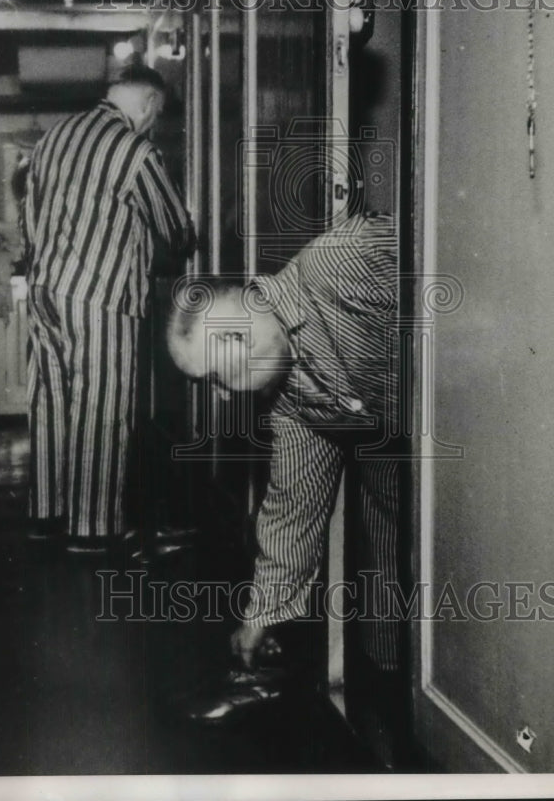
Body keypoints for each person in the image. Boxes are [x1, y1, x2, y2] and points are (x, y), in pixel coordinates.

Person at [166, 211, 401, 719]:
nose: (223, 399)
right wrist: (261, 615)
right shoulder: (289, 399)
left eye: (215, 379)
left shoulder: (346, 256)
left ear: (236, 339)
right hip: (402, 492)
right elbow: (294, 507)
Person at [22, 64, 194, 551]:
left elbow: (30, 216)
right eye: (155, 114)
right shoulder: (134, 150)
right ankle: (93, 529)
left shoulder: (54, 138)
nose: (153, 124)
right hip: (102, 294)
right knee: (103, 405)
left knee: (51, 401)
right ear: (148, 105)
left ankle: (47, 514)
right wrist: (186, 237)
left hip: (44, 288)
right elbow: (174, 226)